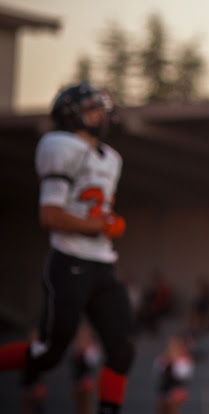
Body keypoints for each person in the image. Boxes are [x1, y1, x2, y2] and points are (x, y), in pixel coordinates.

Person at [0, 83, 136, 414]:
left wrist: (105, 224)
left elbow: (92, 210)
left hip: (102, 264)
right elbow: (50, 215)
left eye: (101, 109)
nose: (101, 116)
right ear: (70, 117)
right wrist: (100, 226)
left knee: (122, 351)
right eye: (92, 110)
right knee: (48, 354)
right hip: (70, 262)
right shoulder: (59, 146)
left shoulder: (111, 159)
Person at [153, 335, 194, 414]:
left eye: (175, 346)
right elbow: (157, 369)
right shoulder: (164, 357)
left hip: (176, 389)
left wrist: (172, 363)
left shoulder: (183, 359)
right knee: (162, 407)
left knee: (172, 407)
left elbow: (183, 374)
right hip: (164, 389)